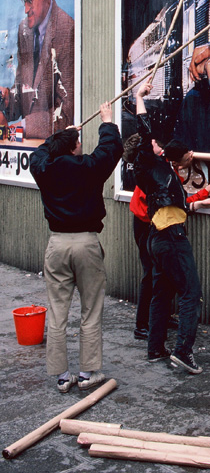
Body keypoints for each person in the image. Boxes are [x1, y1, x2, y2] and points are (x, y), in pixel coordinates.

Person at [29, 102, 123, 393]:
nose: (81, 145)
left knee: (57, 311)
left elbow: (38, 155)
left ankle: (61, 376)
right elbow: (111, 151)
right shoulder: (88, 169)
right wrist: (107, 121)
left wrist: (60, 135)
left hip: (56, 244)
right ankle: (87, 372)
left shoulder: (44, 169)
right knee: (90, 309)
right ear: (72, 149)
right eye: (78, 142)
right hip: (85, 243)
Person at [133, 80, 210, 374]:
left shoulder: (164, 178)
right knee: (190, 293)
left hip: (158, 239)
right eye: (188, 157)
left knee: (162, 293)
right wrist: (139, 98)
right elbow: (146, 131)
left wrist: (204, 196)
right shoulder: (161, 170)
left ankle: (156, 348)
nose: (191, 159)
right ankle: (183, 351)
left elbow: (179, 206)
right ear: (177, 159)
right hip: (171, 241)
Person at [123, 132, 210, 342]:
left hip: (152, 225)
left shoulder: (161, 166)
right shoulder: (154, 173)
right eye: (153, 145)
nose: (157, 146)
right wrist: (209, 189)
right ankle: (142, 325)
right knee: (151, 274)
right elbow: (178, 201)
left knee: (162, 277)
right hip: (148, 226)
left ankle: (158, 323)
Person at [0, 0, 74, 140]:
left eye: (30, 0)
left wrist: (20, 127)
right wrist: (9, 98)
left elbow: (66, 113)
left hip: (52, 152)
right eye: (24, 0)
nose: (25, 9)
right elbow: (25, 92)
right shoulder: (24, 30)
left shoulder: (67, 31)